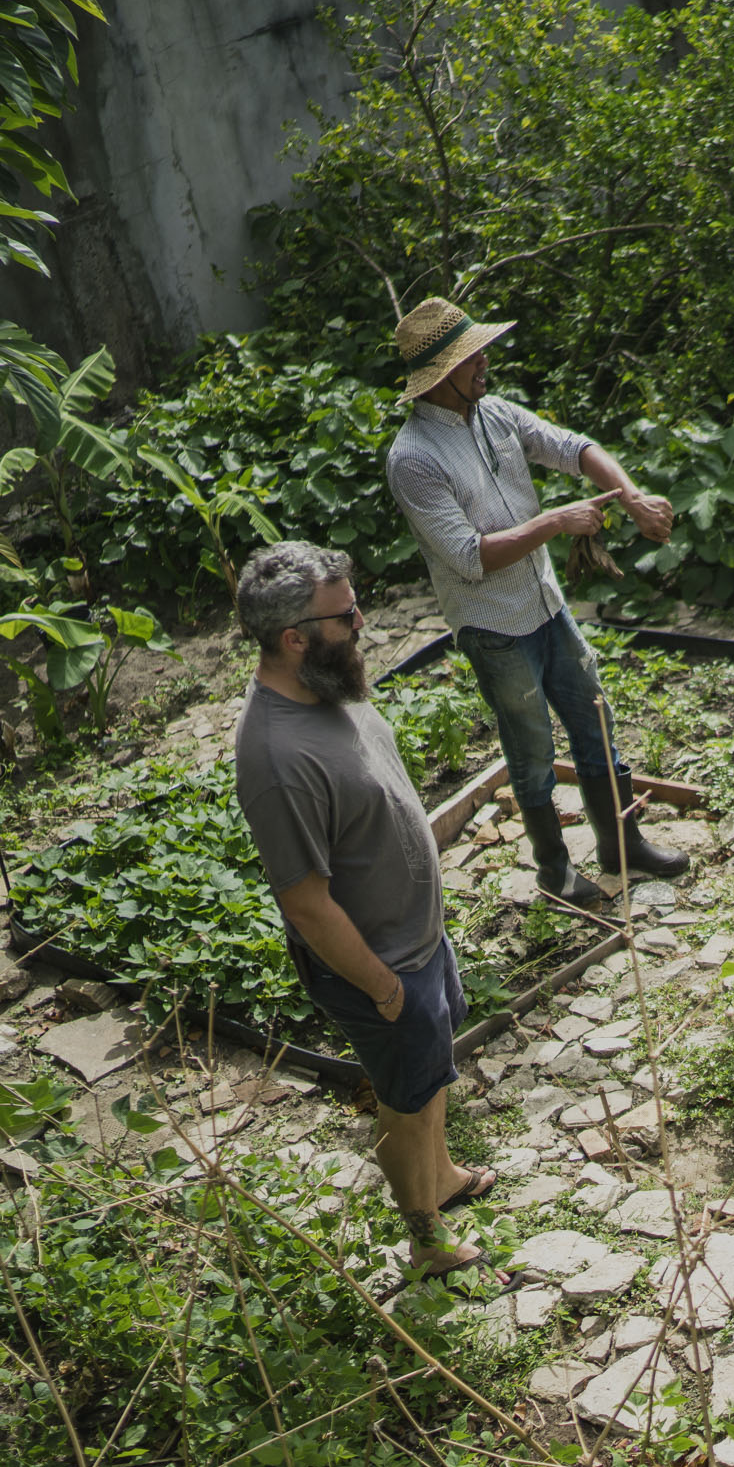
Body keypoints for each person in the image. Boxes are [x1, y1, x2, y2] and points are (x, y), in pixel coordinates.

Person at [231, 541, 496, 1291]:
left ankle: (440, 1175)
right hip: (380, 965)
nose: (362, 623)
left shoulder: (330, 682)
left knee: (430, 1071)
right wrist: (384, 990)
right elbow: (307, 905)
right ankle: (427, 1238)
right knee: (405, 1100)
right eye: (346, 615)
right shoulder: (278, 757)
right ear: (295, 638)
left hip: (417, 939)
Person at [383, 295, 689, 908]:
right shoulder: (412, 459)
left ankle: (621, 846)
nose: (485, 364)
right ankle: (554, 871)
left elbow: (574, 447)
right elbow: (470, 555)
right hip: (494, 626)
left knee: (593, 717)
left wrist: (629, 496)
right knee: (531, 749)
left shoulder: (493, 413)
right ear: (439, 374)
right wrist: (555, 522)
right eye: (472, 359)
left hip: (545, 605)